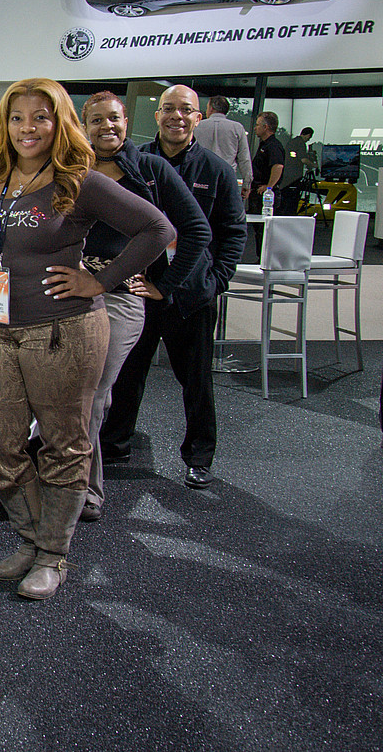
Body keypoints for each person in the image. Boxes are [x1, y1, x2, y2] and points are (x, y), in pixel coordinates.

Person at [0, 77, 173, 600]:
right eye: (17, 117)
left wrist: (101, 281)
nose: (28, 128)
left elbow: (157, 229)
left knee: (64, 444)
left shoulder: (78, 180)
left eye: (40, 117)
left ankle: (51, 555)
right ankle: (31, 540)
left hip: (63, 329)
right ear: (3, 124)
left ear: (59, 121)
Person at [99, 85, 247, 489]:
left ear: (198, 117)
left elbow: (232, 233)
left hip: (189, 295)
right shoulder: (135, 163)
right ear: (157, 116)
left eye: (185, 110)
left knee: (195, 381)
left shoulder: (216, 170)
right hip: (140, 289)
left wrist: (215, 281)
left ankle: (199, 456)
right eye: (168, 109)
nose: (176, 117)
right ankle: (114, 443)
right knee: (127, 373)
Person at [75, 92, 211, 522]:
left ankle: (85, 490)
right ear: (84, 125)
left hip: (120, 298)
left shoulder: (151, 170)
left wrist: (164, 285)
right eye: (97, 120)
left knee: (92, 391)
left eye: (114, 118)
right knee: (71, 391)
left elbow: (196, 230)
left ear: (126, 121)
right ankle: (63, 470)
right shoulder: (70, 167)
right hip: (69, 292)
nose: (107, 127)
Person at [194, 96, 251, 201]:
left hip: (201, 178)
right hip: (228, 178)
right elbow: (244, 159)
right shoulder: (237, 128)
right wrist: (247, 183)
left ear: (211, 108)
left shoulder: (197, 126)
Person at [248, 110, 286, 257]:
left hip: (266, 194)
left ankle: (265, 259)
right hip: (258, 191)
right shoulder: (264, 145)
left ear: (266, 127)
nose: (255, 128)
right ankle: (261, 257)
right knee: (259, 230)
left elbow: (278, 166)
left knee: (265, 229)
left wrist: (268, 187)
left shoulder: (273, 146)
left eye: (258, 125)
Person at [279, 127, 315, 216]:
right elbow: (303, 159)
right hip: (294, 176)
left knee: (286, 197)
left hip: (286, 175)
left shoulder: (292, 142)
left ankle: (283, 214)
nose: (309, 139)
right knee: (293, 199)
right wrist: (313, 165)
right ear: (308, 135)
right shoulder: (301, 144)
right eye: (309, 137)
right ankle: (291, 215)